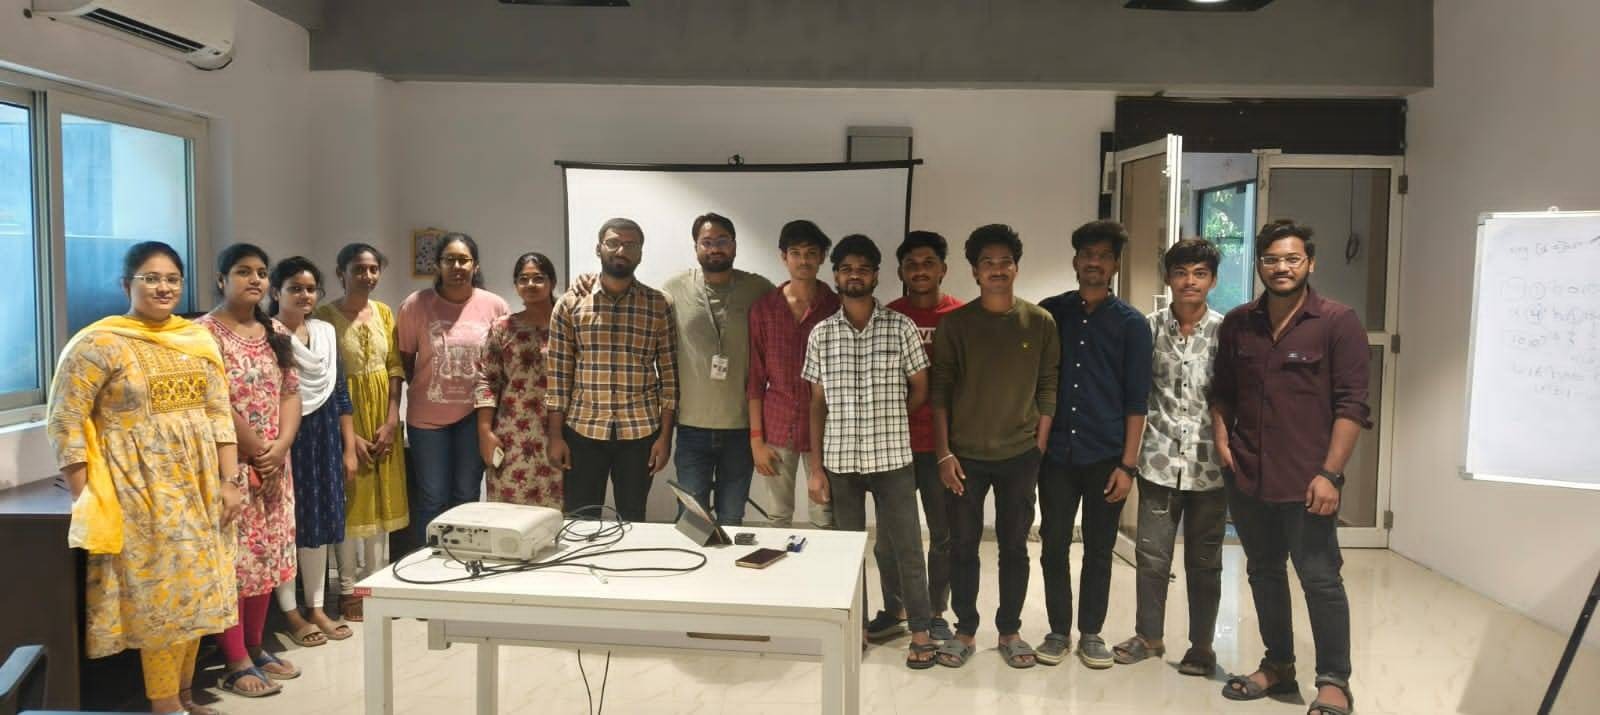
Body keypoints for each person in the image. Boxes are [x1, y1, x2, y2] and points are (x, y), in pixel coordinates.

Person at [46, 241, 243, 715]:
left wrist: (230, 480)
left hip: (199, 488)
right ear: (126, 285)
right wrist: (85, 496)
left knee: (198, 591)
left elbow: (219, 414)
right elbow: (65, 420)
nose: (163, 288)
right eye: (150, 278)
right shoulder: (99, 344)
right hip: (138, 492)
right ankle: (165, 704)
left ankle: (184, 695)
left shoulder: (196, 339)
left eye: (172, 279)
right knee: (161, 600)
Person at [1212, 220, 1370, 715]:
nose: (1281, 267)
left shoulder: (1337, 322)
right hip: (1249, 475)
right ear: (1259, 264)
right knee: (1263, 572)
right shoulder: (1239, 323)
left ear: (1310, 263)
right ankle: (1278, 665)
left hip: (1308, 480)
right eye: (1271, 259)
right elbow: (1222, 391)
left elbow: (1352, 406)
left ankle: (1334, 681)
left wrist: (1331, 474)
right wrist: (1221, 437)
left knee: (1320, 579)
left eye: (1292, 259)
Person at [801, 234, 938, 669]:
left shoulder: (901, 327)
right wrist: (816, 469)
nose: (854, 275)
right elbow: (817, 404)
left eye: (863, 268)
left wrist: (890, 417)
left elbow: (920, 389)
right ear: (835, 276)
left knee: (908, 548)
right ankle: (855, 628)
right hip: (841, 464)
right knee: (847, 554)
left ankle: (920, 630)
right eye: (846, 268)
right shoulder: (822, 334)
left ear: (877, 275)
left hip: (892, 460)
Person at [932, 224, 1060, 670]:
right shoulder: (956, 324)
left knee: (1014, 547)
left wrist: (1039, 444)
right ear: (974, 271)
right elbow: (940, 391)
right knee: (963, 546)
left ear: (1016, 268)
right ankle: (965, 630)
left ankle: (1010, 630)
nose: (997, 269)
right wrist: (944, 452)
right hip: (965, 456)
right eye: (988, 263)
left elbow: (1048, 385)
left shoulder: (1039, 322)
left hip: (1020, 455)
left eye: (1006, 262)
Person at [1035, 220, 1153, 669]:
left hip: (1107, 456)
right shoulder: (1051, 313)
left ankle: (1091, 633)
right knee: (1053, 544)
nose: (1094, 263)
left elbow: (1137, 401)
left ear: (1115, 265)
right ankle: (1057, 631)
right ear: (1075, 261)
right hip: (1057, 456)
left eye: (1104, 256)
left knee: (1099, 549)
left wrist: (1128, 466)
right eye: (1087, 255)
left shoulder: (1132, 324)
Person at [1110, 238, 1227, 675]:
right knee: (1152, 557)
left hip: (1210, 468)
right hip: (1158, 462)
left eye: (1199, 273)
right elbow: (1135, 394)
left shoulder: (1227, 332)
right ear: (1168, 278)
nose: (1189, 281)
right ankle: (1149, 636)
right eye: (1181, 272)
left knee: (1205, 563)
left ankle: (1202, 646)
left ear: (1212, 280)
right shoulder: (1147, 328)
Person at [198, 243, 302, 696]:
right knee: (237, 562)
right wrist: (259, 449)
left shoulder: (274, 329)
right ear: (221, 279)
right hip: (232, 464)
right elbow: (215, 401)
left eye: (261, 272)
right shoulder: (204, 334)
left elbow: (290, 392)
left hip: (275, 463)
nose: (255, 279)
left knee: (268, 555)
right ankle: (234, 657)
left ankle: (257, 647)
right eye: (243, 271)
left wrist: (281, 446)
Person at [545, 218, 678, 521]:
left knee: (633, 518)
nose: (621, 250)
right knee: (580, 520)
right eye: (613, 243)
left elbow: (670, 378)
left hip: (640, 432)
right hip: (583, 430)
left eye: (631, 245)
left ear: (640, 253)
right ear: (598, 248)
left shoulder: (659, 304)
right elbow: (558, 377)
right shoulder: (570, 304)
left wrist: (664, 438)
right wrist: (555, 436)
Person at [877, 230, 964, 643]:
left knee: (942, 535)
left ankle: (935, 611)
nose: (920, 270)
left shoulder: (961, 316)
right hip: (893, 446)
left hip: (943, 447)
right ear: (900, 272)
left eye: (929, 263)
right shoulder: (888, 317)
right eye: (911, 264)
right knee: (890, 538)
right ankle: (895, 608)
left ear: (943, 269)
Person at [315, 243, 409, 622]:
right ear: (341, 273)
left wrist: (392, 419)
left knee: (381, 505)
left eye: (373, 269)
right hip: (343, 417)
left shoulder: (384, 312)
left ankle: (378, 583)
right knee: (351, 505)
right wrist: (347, 437)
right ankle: (349, 590)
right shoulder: (323, 318)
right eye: (358, 269)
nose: (367, 276)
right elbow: (324, 378)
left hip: (382, 419)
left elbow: (395, 368)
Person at [661, 213, 774, 525]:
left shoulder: (758, 289)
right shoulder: (674, 288)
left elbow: (793, 302)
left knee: (732, 517)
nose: (715, 248)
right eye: (707, 242)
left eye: (722, 241)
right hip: (691, 428)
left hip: (741, 428)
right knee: (692, 521)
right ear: (696, 247)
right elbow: (638, 300)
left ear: (734, 246)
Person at [269, 256, 358, 648]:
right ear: (276, 292)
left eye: (310, 289)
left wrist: (348, 447)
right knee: (287, 525)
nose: (304, 295)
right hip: (284, 438)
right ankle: (290, 611)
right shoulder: (266, 333)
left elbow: (339, 392)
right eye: (295, 288)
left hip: (324, 437)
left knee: (319, 523)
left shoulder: (324, 332)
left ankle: (317, 606)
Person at [398, 233, 510, 540]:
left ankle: (463, 557)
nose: (457, 266)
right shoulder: (415, 305)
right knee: (432, 496)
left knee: (466, 493)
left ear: (475, 265)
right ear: (438, 265)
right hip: (427, 420)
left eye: (464, 260)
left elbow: (500, 362)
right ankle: (427, 557)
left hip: (475, 417)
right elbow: (406, 360)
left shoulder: (495, 305)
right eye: (449, 260)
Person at [747, 219, 839, 528]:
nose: (803, 260)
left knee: (824, 514)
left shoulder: (836, 307)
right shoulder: (764, 309)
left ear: (822, 257)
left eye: (811, 253)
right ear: (783, 257)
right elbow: (755, 380)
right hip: (777, 425)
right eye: (796, 253)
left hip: (826, 428)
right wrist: (756, 441)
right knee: (778, 516)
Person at [474, 252, 563, 507]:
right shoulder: (502, 328)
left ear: (552, 282)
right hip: (512, 432)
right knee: (509, 510)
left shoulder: (567, 327)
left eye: (538, 278)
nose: (530, 284)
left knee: (559, 511)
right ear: (515, 285)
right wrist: (485, 432)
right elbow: (487, 381)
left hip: (560, 432)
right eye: (523, 279)